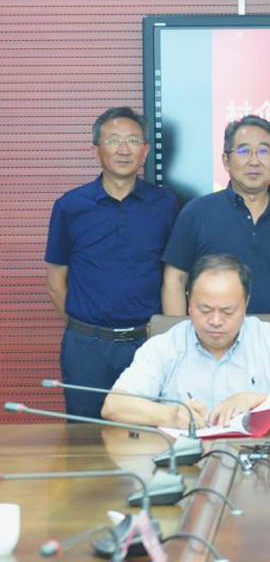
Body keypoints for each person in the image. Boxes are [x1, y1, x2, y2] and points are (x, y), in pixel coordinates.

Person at [45, 107, 178, 418]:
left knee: (147, 432)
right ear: (96, 150)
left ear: (145, 151)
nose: (124, 149)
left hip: (147, 343)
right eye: (114, 140)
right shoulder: (70, 206)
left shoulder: (165, 204)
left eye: (133, 141)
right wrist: (86, 329)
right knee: (84, 436)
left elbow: (173, 275)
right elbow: (55, 280)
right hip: (86, 348)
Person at [102, 254, 270, 428]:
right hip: (184, 461)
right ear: (189, 302)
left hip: (256, 458)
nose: (215, 321)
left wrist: (256, 400)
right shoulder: (165, 345)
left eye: (227, 311)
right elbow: (114, 405)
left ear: (246, 304)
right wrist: (172, 415)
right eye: (205, 310)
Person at [161, 115, 270, 345]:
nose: (254, 161)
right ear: (226, 160)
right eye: (244, 151)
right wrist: (179, 346)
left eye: (263, 151)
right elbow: (174, 280)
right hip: (211, 346)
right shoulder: (196, 213)